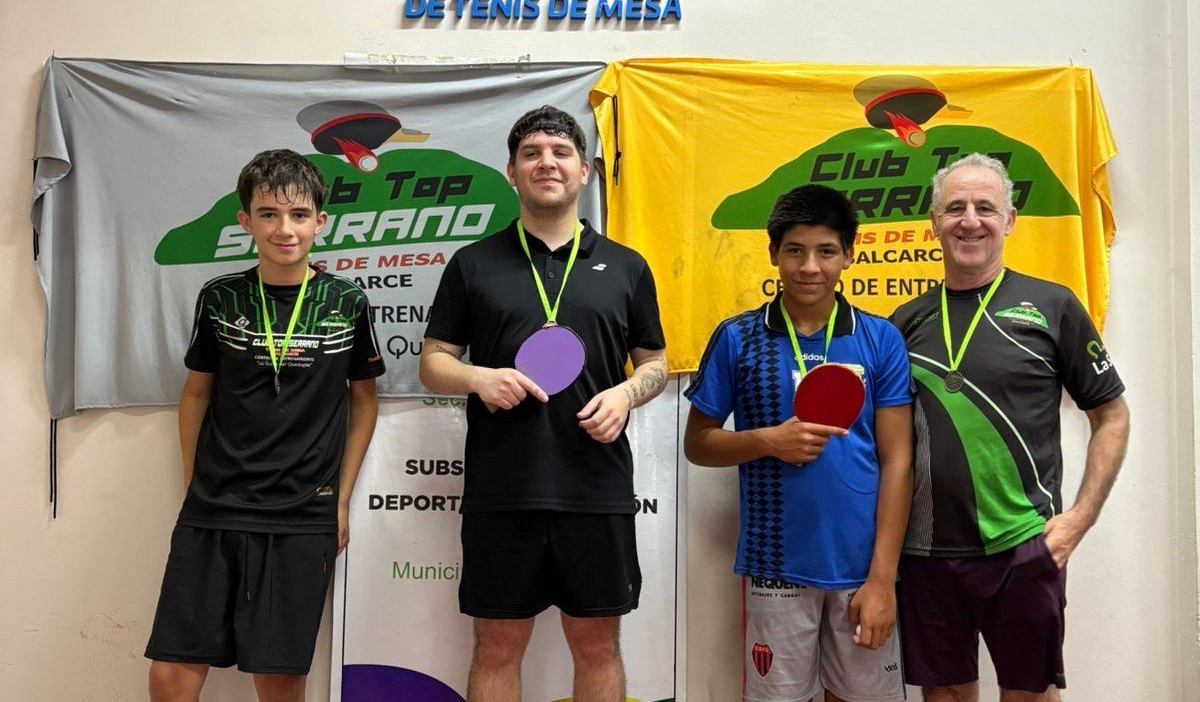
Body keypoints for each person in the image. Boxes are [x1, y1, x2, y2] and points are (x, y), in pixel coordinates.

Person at [419, 105, 668, 702]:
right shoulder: (473, 263)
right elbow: (432, 363)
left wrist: (626, 393)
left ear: (584, 171)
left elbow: (656, 364)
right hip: (503, 490)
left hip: (595, 490)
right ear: (512, 172)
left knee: (598, 648)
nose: (546, 163)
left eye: (561, 153)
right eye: (531, 153)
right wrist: (478, 378)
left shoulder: (627, 266)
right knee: (497, 650)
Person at [145, 149, 385, 702]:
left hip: (302, 512)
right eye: (269, 214)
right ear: (245, 221)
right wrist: (193, 482)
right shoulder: (220, 297)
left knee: (279, 677)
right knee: (173, 671)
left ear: (320, 222)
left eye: (299, 214)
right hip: (216, 504)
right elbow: (195, 394)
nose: (285, 229)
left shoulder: (347, 301)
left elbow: (364, 403)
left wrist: (340, 499)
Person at [890, 153, 1130, 702]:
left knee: (1030, 694)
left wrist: (1080, 519)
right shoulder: (903, 321)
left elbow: (1111, 415)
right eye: (955, 208)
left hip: (1023, 544)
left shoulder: (1053, 305)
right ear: (934, 222)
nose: (970, 220)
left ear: (1010, 220)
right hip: (926, 550)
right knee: (945, 696)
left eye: (985, 207)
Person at [684, 184, 913, 702]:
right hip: (775, 566)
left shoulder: (880, 338)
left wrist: (883, 578)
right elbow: (698, 443)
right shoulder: (738, 337)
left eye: (826, 251)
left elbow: (898, 461)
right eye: (795, 250)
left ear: (848, 255)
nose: (810, 267)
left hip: (862, 569)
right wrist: (767, 441)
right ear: (773, 253)